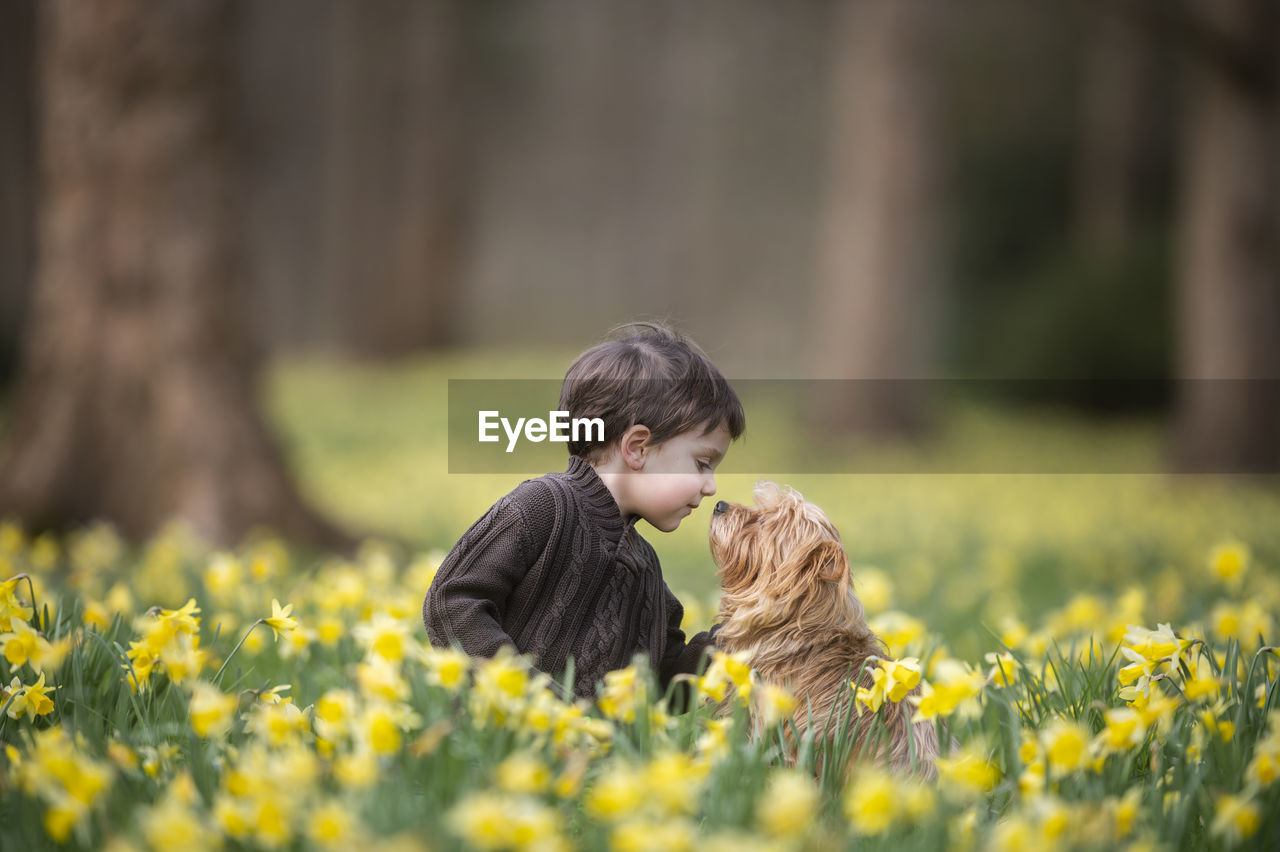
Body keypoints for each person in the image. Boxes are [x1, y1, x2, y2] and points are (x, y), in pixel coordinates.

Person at [423, 321, 745, 701]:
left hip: (587, 757)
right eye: (702, 463)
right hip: (502, 743)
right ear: (637, 448)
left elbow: (666, 679)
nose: (710, 487)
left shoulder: (645, 569)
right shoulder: (542, 507)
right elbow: (451, 603)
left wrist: (744, 636)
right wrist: (528, 697)